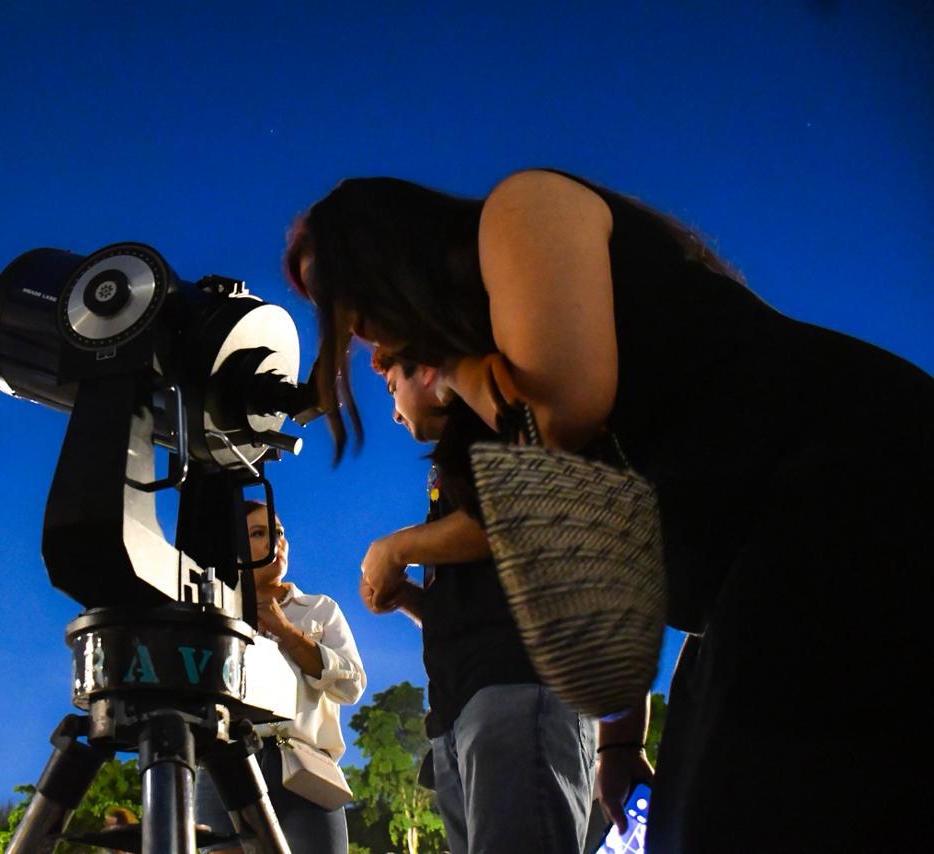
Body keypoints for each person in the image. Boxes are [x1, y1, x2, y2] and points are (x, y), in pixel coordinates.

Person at [285, 170, 933, 850]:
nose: (356, 330)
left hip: (848, 486)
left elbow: (559, 416)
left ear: (385, 252)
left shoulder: (523, 209)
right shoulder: (497, 382)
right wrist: (620, 744)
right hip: (746, 572)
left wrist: (452, 373)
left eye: (339, 291)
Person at [360, 350, 602, 854]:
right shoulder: (455, 461)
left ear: (425, 367)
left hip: (518, 686)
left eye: (390, 388)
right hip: (464, 708)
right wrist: (406, 596)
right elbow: (476, 601)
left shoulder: (497, 420)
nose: (393, 412)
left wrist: (397, 547)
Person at [196, 500, 366, 854]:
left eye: (280, 533)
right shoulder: (213, 612)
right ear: (235, 549)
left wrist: (287, 631)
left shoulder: (320, 608)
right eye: (259, 534)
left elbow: (352, 686)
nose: (277, 543)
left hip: (305, 766)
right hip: (225, 762)